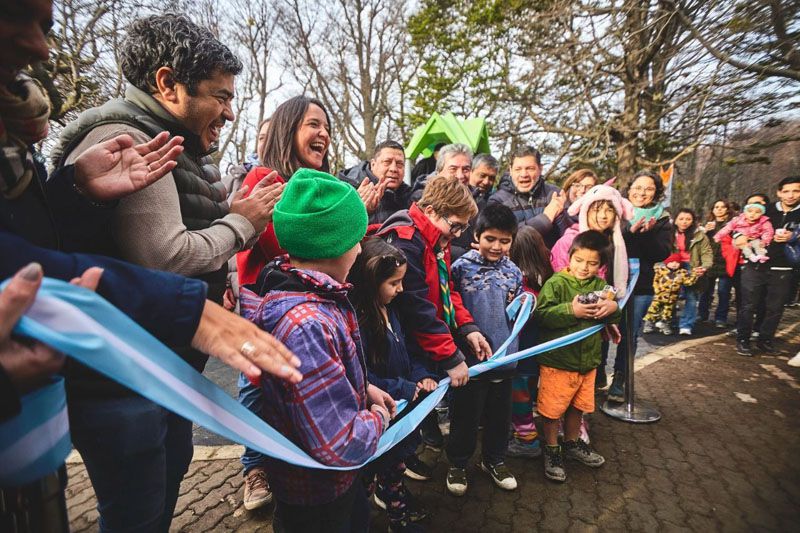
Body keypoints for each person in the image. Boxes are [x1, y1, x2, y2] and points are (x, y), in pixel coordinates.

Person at [49, 14, 286, 531]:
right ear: (166, 84)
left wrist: (220, 225)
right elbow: (166, 257)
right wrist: (241, 225)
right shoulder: (130, 139)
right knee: (138, 506)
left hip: (160, 363)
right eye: (220, 96)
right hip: (127, 372)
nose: (229, 110)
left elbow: (187, 226)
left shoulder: (175, 142)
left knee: (167, 475)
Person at [239, 169, 394, 532]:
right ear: (334, 244)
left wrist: (362, 389)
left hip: (319, 486)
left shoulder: (309, 297)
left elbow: (316, 386)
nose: (360, 247)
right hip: (317, 494)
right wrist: (379, 418)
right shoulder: (309, 324)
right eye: (357, 238)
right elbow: (337, 442)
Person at [233, 95, 334, 509]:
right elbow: (279, 243)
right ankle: (255, 468)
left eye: (326, 126)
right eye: (313, 124)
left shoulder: (324, 185)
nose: (323, 133)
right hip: (266, 308)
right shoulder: (263, 178)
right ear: (287, 130)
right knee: (255, 384)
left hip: (311, 309)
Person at [379, 175, 491, 464]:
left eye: (463, 228)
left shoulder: (434, 238)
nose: (457, 234)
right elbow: (417, 310)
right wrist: (452, 358)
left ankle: (411, 455)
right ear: (430, 211)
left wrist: (468, 328)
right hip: (404, 344)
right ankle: (395, 469)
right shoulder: (407, 242)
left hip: (427, 339)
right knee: (407, 405)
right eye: (455, 225)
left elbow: (446, 289)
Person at [348, 237, 434, 532]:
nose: (401, 289)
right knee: (367, 481)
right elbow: (361, 378)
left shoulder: (394, 311)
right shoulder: (359, 323)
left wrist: (421, 373)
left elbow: (411, 351)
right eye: (394, 283)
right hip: (378, 424)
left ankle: (399, 522)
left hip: (399, 422)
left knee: (395, 476)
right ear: (372, 281)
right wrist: (405, 388)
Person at [446, 204, 523, 496]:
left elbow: (515, 312)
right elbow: (452, 312)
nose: (497, 246)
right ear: (476, 235)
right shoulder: (459, 268)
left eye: (505, 240)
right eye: (491, 238)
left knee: (500, 419)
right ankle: (457, 463)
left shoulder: (514, 272)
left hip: (505, 362)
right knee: (465, 418)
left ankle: (494, 460)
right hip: (471, 365)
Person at [535, 230, 621, 482]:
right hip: (558, 363)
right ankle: (552, 450)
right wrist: (570, 311)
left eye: (592, 263)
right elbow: (541, 315)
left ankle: (572, 444)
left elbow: (616, 315)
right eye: (579, 260)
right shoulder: (556, 283)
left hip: (588, 363)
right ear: (569, 257)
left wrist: (614, 308)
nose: (584, 267)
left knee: (577, 408)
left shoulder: (601, 288)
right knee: (552, 411)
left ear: (601, 265)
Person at [550, 184, 632, 389]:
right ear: (585, 209)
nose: (603, 216)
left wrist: (611, 307)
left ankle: (579, 415)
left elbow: (611, 286)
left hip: (596, 324)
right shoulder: (570, 240)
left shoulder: (616, 243)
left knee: (587, 374)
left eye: (609, 209)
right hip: (570, 323)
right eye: (597, 209)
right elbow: (562, 285)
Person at [607, 171, 672, 403]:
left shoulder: (662, 219)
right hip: (610, 282)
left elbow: (662, 252)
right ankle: (596, 378)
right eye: (637, 187)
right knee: (602, 330)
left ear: (656, 193)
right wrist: (628, 233)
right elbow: (605, 243)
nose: (641, 192)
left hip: (640, 285)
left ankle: (619, 380)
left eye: (648, 189)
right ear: (629, 187)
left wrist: (646, 235)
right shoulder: (616, 210)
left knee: (629, 334)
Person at [734, 176, 800, 356]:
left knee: (775, 308)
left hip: (784, 267)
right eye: (786, 191)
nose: (791, 195)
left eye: (796, 191)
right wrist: (738, 237)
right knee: (748, 305)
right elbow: (739, 225)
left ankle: (765, 339)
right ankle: (743, 339)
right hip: (755, 265)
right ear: (779, 192)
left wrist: (794, 237)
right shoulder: (765, 211)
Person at [507, 227, 553, 458]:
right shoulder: (548, 277)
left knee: (519, 394)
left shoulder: (517, 281)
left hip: (519, 350)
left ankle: (527, 439)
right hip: (538, 347)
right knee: (528, 390)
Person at [488, 145, 566, 247]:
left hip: (552, 260)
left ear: (540, 169)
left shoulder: (554, 194)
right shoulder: (497, 201)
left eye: (530, 168)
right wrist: (546, 218)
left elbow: (569, 235)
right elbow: (504, 236)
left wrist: (561, 216)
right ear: (510, 170)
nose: (524, 174)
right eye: (518, 169)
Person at [339, 140, 412, 223]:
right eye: (387, 162)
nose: (393, 169)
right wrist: (356, 210)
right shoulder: (347, 190)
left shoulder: (410, 196)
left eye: (399, 164)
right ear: (373, 164)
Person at [671, 208, 712, 335]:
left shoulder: (700, 235)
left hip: (692, 265)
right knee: (670, 295)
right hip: (673, 264)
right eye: (681, 219)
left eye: (688, 219)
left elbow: (707, 253)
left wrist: (704, 267)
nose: (684, 222)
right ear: (675, 220)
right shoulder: (669, 233)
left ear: (693, 221)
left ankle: (686, 324)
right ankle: (669, 321)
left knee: (691, 296)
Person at [698, 200, 736, 328]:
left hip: (725, 261)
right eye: (716, 207)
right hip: (709, 261)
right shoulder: (709, 225)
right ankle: (702, 314)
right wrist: (705, 232)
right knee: (705, 290)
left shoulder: (732, 225)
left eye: (722, 207)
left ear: (727, 209)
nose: (719, 209)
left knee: (723, 291)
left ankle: (721, 318)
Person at [642, 254, 701, 335]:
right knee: (653, 311)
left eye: (677, 262)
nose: (674, 264)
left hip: (672, 298)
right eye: (672, 262)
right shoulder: (660, 271)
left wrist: (695, 274)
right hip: (659, 296)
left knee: (668, 313)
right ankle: (648, 325)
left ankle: (665, 325)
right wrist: (656, 290)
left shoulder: (682, 273)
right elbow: (655, 281)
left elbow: (688, 282)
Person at [558, 169, 599, 233]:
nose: (582, 190)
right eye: (577, 185)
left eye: (589, 187)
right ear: (569, 187)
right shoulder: (558, 211)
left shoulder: (598, 216)